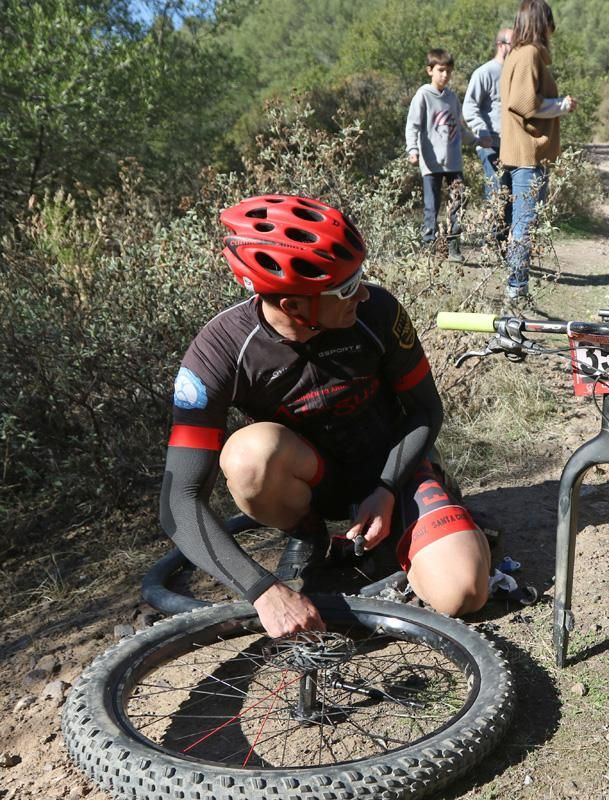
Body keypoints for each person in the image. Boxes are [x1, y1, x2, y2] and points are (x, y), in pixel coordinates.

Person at [159, 195, 491, 638]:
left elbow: (426, 408)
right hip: (314, 480)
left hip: (393, 467)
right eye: (345, 288)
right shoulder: (219, 352)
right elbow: (178, 500)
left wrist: (387, 487)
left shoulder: (377, 312)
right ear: (294, 305)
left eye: (358, 277)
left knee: (464, 593)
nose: (364, 292)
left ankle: (422, 514)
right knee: (247, 456)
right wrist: (262, 590)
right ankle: (310, 534)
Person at [499, 0, 577, 299]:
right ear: (540, 23)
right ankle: (517, 289)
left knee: (520, 222)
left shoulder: (518, 54)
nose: (552, 30)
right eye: (549, 23)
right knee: (523, 225)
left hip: (521, 154)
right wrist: (562, 106)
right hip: (528, 156)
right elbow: (525, 104)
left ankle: (516, 286)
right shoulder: (529, 54)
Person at [407, 48, 469, 263]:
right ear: (430, 70)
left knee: (457, 204)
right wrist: (413, 150)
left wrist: (479, 139)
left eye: (448, 71)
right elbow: (413, 125)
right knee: (431, 207)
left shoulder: (452, 98)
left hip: (453, 161)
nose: (445, 75)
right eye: (441, 70)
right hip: (431, 163)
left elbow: (459, 128)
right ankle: (428, 248)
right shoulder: (423, 95)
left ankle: (453, 247)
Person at [463, 26, 515, 242]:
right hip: (491, 144)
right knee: (497, 190)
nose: (517, 48)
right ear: (501, 45)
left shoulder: (516, 72)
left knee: (512, 194)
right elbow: (469, 106)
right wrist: (481, 131)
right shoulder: (484, 73)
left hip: (513, 145)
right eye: (514, 44)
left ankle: (505, 244)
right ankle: (494, 243)